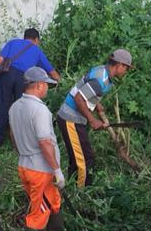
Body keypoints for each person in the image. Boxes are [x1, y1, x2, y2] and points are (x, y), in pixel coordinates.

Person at [9, 66, 78, 231]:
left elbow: (13, 136)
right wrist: (57, 170)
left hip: (25, 164)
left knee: (53, 202)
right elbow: (45, 142)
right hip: (40, 170)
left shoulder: (15, 107)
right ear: (38, 85)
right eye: (46, 85)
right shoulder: (39, 110)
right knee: (38, 212)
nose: (47, 89)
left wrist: (22, 150)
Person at [55, 49, 133, 187]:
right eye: (126, 68)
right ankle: (82, 193)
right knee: (85, 159)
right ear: (120, 65)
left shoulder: (102, 71)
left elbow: (87, 92)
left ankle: (73, 187)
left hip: (73, 119)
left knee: (78, 158)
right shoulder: (100, 79)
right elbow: (79, 98)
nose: (126, 71)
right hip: (70, 119)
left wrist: (97, 104)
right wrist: (92, 120)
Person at [0, 28, 60, 148]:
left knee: (1, 107)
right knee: (21, 110)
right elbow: (52, 72)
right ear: (36, 40)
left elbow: (0, 60)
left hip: (6, 75)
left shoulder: (13, 43)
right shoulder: (37, 50)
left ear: (24, 37)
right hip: (24, 79)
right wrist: (61, 82)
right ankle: (20, 144)